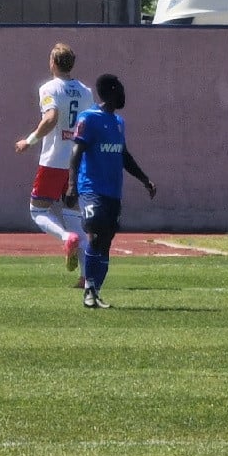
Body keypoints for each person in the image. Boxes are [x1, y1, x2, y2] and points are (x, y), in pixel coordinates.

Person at [64, 74, 156, 309]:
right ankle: (89, 290)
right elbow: (76, 153)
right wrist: (72, 185)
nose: (125, 95)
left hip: (113, 191)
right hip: (91, 188)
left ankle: (94, 290)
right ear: (113, 90)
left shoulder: (118, 122)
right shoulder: (89, 119)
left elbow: (123, 155)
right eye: (122, 89)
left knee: (106, 240)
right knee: (95, 235)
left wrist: (144, 179)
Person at [15, 43, 94, 281]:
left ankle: (64, 238)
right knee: (73, 215)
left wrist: (29, 141)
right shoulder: (85, 91)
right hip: (77, 163)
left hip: (53, 161)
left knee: (37, 211)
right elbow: (88, 124)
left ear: (53, 63)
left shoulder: (49, 88)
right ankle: (86, 275)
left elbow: (51, 118)